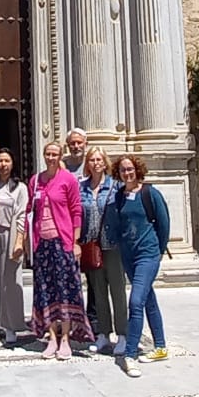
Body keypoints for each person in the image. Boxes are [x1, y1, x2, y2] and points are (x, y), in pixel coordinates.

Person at [108, 153, 171, 377]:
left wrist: (158, 250)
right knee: (147, 299)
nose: (127, 173)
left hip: (148, 254)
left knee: (135, 302)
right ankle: (161, 346)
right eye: (123, 170)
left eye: (130, 169)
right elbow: (116, 223)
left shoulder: (149, 193)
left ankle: (130, 354)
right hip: (129, 256)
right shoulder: (119, 196)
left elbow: (163, 223)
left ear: (137, 170)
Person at [27, 140, 91, 359]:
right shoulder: (35, 181)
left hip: (62, 242)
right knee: (46, 289)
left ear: (60, 156)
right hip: (41, 244)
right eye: (48, 154)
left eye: (55, 154)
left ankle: (66, 338)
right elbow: (30, 211)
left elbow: (76, 210)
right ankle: (51, 337)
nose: (51, 157)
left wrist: (75, 242)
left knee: (64, 289)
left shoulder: (68, 180)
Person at [77, 147, 127, 355]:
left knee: (117, 291)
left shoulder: (117, 187)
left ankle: (122, 334)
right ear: (87, 164)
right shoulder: (81, 188)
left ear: (105, 163)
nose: (95, 163)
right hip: (91, 245)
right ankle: (103, 334)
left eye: (99, 159)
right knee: (98, 292)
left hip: (113, 245)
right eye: (91, 160)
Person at [0, 147, 29, 348]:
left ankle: (11, 325)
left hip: (10, 233)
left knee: (11, 279)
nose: (3, 165)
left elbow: (21, 214)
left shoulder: (20, 187)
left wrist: (19, 240)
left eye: (6, 161)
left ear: (13, 163)